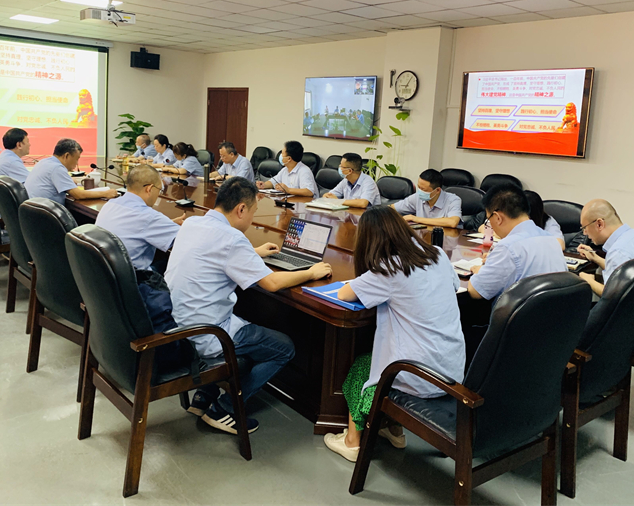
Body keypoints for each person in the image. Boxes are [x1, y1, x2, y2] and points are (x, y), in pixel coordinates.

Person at [165, 177, 332, 434]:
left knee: (245, 315)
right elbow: (272, 283)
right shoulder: (232, 238)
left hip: (176, 324)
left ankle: (203, 395)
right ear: (241, 209)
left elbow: (214, 254)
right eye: (253, 211)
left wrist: (253, 252)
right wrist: (311, 272)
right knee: (284, 348)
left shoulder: (193, 223)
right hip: (207, 333)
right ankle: (225, 408)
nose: (252, 219)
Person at [323, 206, 466, 462]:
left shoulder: (388, 268)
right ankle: (393, 430)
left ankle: (352, 442)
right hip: (451, 371)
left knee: (362, 367)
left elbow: (344, 294)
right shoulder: (437, 254)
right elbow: (454, 285)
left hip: (417, 376)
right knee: (388, 355)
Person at [468, 184, 568, 301]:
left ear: (498, 218)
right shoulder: (550, 239)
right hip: (554, 309)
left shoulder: (508, 247)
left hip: (521, 312)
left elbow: (475, 291)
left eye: (489, 219)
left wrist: (481, 271)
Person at [576, 199, 634, 319]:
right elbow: (627, 274)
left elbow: (611, 297)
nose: (584, 233)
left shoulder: (618, 251)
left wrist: (587, 280)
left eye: (585, 227)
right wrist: (596, 259)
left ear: (599, 224)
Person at [95, 164, 184, 271]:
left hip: (105, 272)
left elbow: (134, 226)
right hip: (134, 277)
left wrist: (167, 223)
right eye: (159, 190)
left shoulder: (110, 204)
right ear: (149, 189)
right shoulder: (148, 216)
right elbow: (186, 239)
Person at [25, 138, 117, 204]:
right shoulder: (57, 168)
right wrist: (106, 193)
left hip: (32, 212)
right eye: (77, 159)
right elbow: (78, 195)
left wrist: (71, 179)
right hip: (46, 216)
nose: (76, 163)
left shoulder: (44, 162)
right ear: (67, 156)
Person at [392, 169, 462, 227]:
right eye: (419, 187)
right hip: (423, 236)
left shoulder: (453, 200)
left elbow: (452, 222)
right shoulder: (417, 197)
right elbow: (391, 208)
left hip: (447, 237)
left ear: (437, 190)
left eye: (423, 189)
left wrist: (415, 219)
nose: (420, 191)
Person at [0, 128, 30, 200]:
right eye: (27, 142)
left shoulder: (6, 156)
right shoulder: (11, 161)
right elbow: (30, 182)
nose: (29, 145)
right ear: (19, 145)